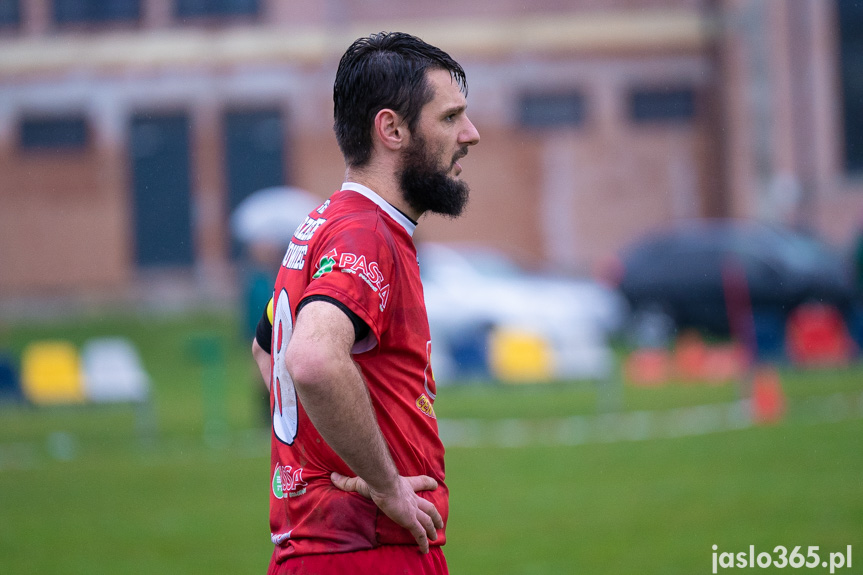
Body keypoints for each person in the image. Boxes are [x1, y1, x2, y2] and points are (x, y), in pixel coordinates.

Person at [251, 31, 480, 574]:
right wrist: (385, 484)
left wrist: (332, 453)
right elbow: (309, 360)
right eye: (450, 118)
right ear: (392, 129)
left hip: (322, 550)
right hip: (369, 554)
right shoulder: (364, 235)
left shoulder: (325, 223)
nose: (471, 134)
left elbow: (268, 351)